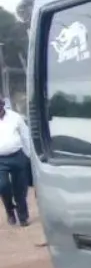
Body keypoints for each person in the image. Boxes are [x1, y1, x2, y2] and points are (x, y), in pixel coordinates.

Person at [0, 97, 32, 227]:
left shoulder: (15, 117)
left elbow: (25, 135)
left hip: (17, 156)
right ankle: (10, 211)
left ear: (2, 106)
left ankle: (23, 217)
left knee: (20, 189)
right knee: (2, 185)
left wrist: (29, 156)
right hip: (0, 159)